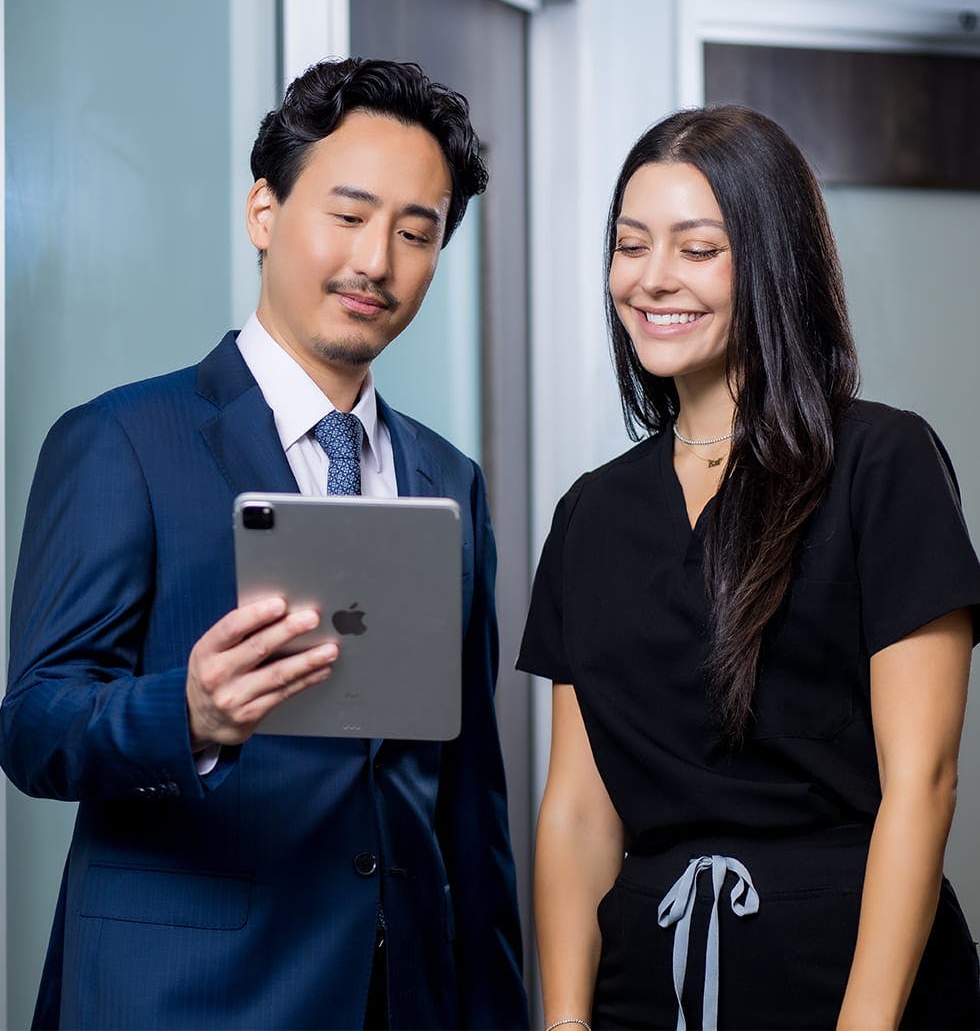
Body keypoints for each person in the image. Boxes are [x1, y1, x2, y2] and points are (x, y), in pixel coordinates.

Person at [0, 57, 529, 1030]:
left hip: (396, 999)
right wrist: (188, 713)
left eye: (416, 233)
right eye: (348, 214)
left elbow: (467, 801)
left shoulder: (448, 479)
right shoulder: (122, 440)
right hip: (183, 998)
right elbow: (33, 724)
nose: (377, 260)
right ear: (263, 212)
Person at [519, 104, 980, 1030]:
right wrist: (565, 1022)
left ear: (773, 261)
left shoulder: (881, 463)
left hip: (849, 983)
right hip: (645, 990)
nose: (652, 278)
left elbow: (922, 783)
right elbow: (578, 813)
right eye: (630, 245)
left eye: (698, 249)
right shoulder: (590, 514)